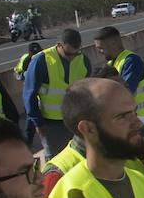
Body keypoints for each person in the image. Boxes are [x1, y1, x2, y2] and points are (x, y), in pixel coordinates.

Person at [22, 28, 92, 158]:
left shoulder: (83, 60)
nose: (72, 57)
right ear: (59, 45)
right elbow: (29, 96)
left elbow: (87, 92)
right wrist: (38, 124)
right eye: (68, 53)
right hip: (51, 125)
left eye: (76, 53)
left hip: (76, 121)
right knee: (56, 161)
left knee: (80, 159)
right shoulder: (41, 61)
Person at [93, 25, 144, 118]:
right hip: (125, 120)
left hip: (138, 119)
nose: (99, 51)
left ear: (114, 43)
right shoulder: (111, 63)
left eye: (101, 48)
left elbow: (124, 92)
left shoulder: (132, 61)